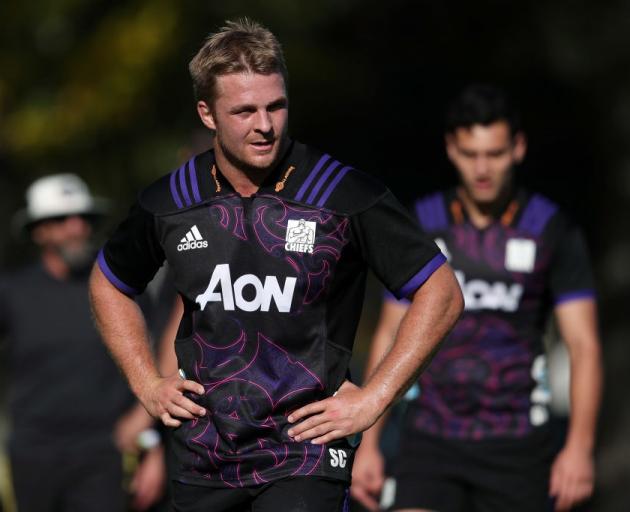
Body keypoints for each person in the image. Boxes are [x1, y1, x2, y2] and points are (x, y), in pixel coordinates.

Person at [88, 18, 463, 512]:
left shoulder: (342, 194)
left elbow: (441, 292)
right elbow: (108, 284)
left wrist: (375, 398)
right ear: (208, 114)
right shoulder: (171, 201)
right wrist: (147, 383)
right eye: (244, 111)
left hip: (304, 452)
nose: (264, 125)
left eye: (276, 106)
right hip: (203, 456)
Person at [351, 84, 603, 512]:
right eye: (470, 154)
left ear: (518, 148)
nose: (482, 168)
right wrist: (369, 442)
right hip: (430, 436)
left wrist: (579, 448)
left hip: (519, 442)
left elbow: (584, 346)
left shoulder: (552, 230)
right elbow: (390, 334)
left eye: (495, 153)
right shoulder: (422, 224)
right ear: (451, 149)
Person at [0, 174, 166, 512]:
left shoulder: (118, 290)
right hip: (32, 453)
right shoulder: (11, 293)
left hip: (108, 452)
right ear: (38, 231)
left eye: (84, 219)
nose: (76, 228)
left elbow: (157, 366)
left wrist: (154, 447)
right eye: (60, 220)